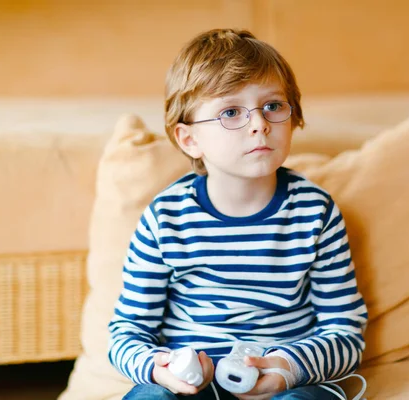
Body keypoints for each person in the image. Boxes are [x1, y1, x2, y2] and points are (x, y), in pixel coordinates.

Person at [108, 28, 368, 400]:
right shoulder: (165, 218)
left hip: (284, 384)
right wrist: (158, 368)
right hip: (192, 387)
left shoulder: (316, 212)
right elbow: (127, 331)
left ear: (292, 117)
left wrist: (289, 369)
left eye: (273, 106)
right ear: (189, 139)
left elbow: (345, 332)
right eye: (231, 112)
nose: (259, 123)